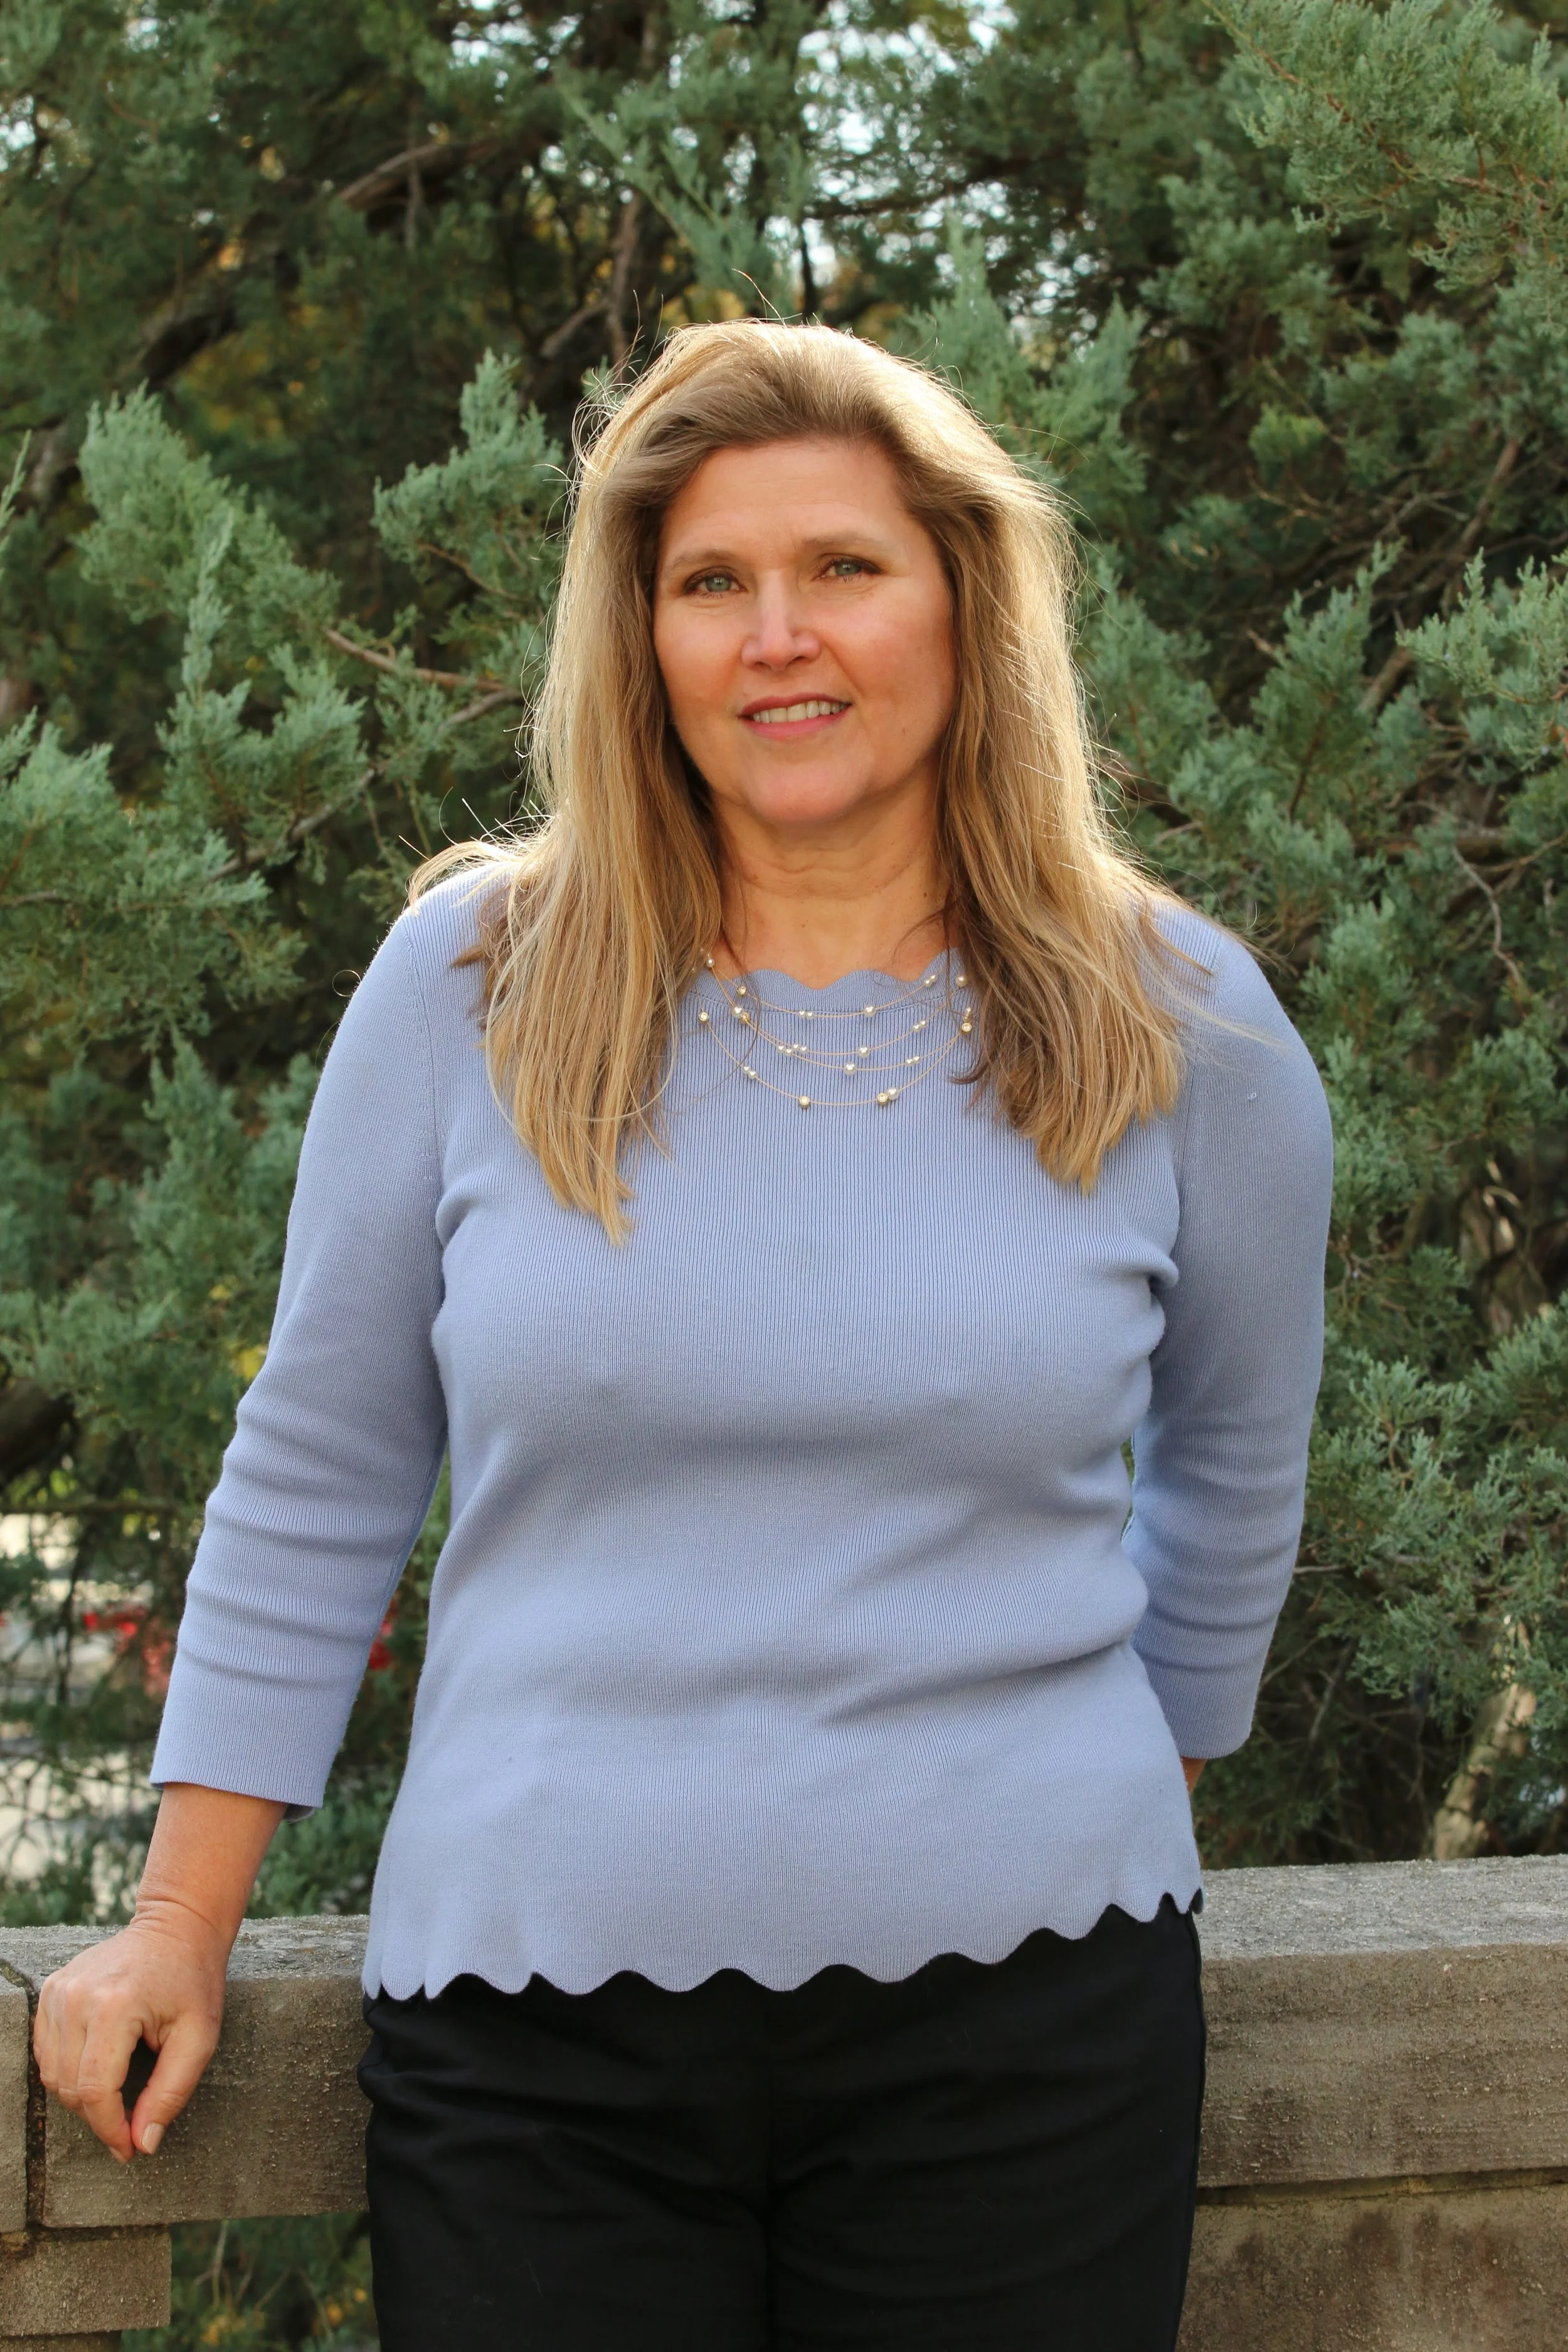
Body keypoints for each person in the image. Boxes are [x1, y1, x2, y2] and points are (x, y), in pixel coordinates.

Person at [33, 320, 1333, 2351]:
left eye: (842, 567)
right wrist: (180, 1925)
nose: (773, 636)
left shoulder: (1180, 1020)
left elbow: (1238, 1462)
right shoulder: (472, 984)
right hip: (532, 2041)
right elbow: (320, 1464)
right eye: (707, 581)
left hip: (1035, 2038)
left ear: (966, 599)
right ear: (635, 635)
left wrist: (1082, 1779)